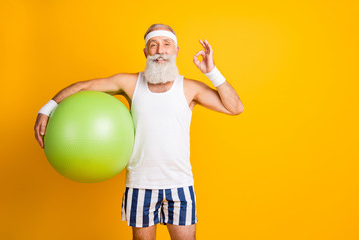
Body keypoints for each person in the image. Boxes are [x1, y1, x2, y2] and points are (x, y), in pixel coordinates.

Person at [34, 23, 244, 240]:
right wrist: (46, 109)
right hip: (140, 185)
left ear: (176, 51)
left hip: (180, 184)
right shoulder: (130, 83)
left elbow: (235, 107)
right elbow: (84, 87)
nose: (160, 50)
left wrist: (212, 72)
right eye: (153, 45)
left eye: (166, 44)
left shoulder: (190, 88)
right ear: (145, 52)